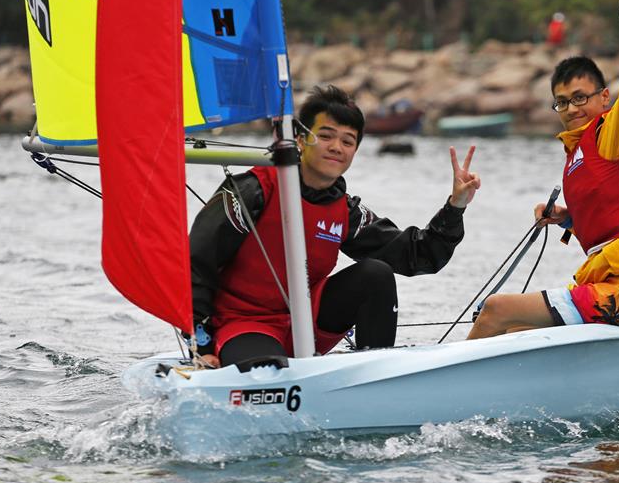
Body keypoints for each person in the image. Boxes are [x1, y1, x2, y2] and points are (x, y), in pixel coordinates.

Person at [189, 85, 480, 368]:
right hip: (243, 326)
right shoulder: (250, 191)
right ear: (300, 140)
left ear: (354, 151)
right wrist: (201, 345)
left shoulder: (345, 210)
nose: (336, 148)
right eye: (326, 136)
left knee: (375, 274)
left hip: (307, 325)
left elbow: (418, 255)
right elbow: (195, 263)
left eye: (347, 141)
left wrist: (455, 206)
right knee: (267, 373)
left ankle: (375, 376)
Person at [467, 0, 619, 340]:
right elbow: (612, 223)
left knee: (495, 310)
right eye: (562, 102)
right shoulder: (579, 153)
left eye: (580, 97)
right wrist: (567, 218)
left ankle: (454, 391)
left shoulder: (613, 131)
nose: (572, 108)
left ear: (604, 97)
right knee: (514, 328)